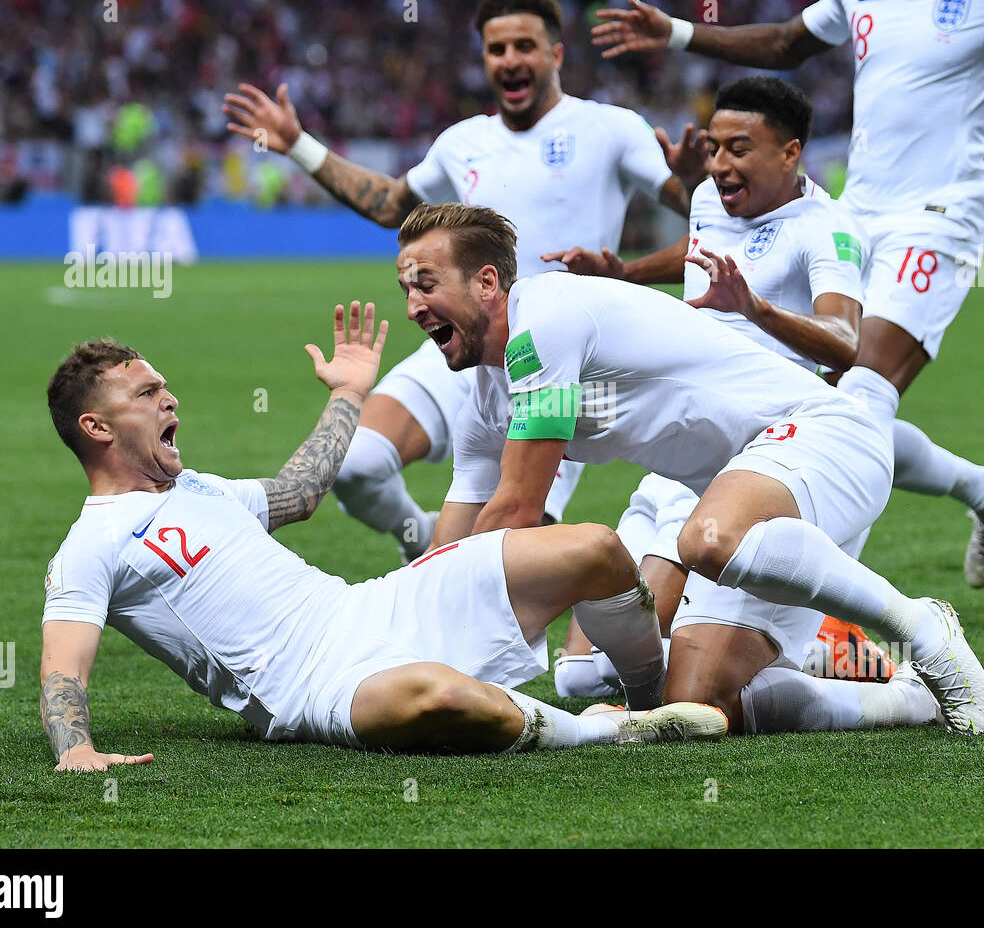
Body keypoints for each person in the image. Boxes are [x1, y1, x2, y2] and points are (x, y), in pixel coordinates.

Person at [592, 0, 984, 588]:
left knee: (859, 396)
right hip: (855, 211)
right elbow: (783, 45)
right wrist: (679, 32)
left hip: (938, 218)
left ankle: (824, 601)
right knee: (821, 406)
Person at [38, 302, 726, 772]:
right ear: (97, 427)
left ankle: (649, 697)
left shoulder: (199, 488)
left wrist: (347, 392)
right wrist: (75, 748)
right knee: (443, 695)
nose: (171, 398)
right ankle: (609, 729)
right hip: (315, 685)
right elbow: (62, 666)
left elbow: (300, 493)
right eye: (147, 392)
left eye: (165, 386)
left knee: (595, 549)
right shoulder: (90, 545)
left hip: (375, 604)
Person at [395, 202, 984, 736]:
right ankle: (910, 702)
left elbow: (516, 511)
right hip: (742, 489)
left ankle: (923, 630)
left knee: (707, 540)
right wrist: (412, 642)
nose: (413, 306)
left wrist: (440, 650)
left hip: (822, 435)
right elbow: (458, 531)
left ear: (488, 282)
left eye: (426, 284)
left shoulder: (544, 318)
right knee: (698, 700)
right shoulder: (485, 397)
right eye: (405, 289)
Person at [222, 0, 697, 562]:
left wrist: (694, 185)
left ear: (556, 54)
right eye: (497, 49)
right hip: (458, 338)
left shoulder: (612, 128)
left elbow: (698, 210)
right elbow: (391, 204)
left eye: (526, 45)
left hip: (554, 361)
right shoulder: (462, 142)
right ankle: (418, 540)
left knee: (508, 547)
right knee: (355, 465)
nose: (510, 59)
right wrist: (299, 145)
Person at [541, 75, 893, 697]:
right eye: (713, 147)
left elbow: (844, 339)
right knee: (576, 678)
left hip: (749, 452)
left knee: (638, 680)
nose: (720, 165)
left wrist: (757, 309)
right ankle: (794, 643)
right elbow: (696, 244)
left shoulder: (827, 229)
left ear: (790, 153)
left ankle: (830, 651)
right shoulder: (709, 196)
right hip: (675, 444)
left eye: (739, 148)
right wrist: (627, 271)